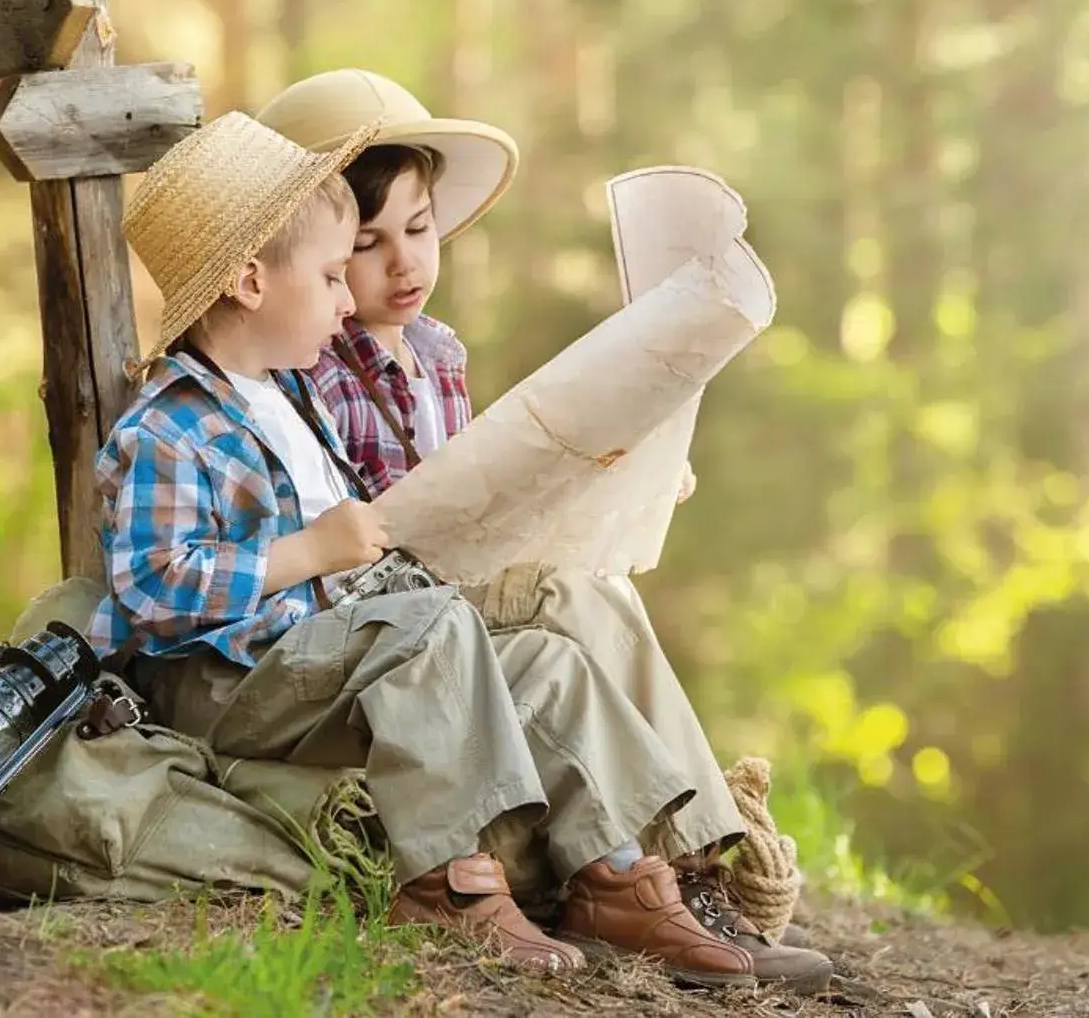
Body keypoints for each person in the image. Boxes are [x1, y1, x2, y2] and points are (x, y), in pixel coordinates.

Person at [88, 112, 755, 987]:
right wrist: (306, 551)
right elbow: (154, 592)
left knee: (550, 662)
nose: (343, 300)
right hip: (232, 683)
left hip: (331, 655)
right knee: (435, 624)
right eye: (332, 274)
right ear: (250, 280)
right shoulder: (170, 426)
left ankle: (617, 871)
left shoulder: (283, 400)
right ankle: (451, 882)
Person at [256, 70, 833, 993]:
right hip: (393, 604)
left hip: (462, 571)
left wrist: (612, 482)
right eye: (364, 246)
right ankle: (666, 863)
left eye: (418, 229)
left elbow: (486, 480)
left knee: (599, 580)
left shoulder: (439, 351)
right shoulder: (303, 361)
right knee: (570, 593)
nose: (402, 264)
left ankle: (678, 866)